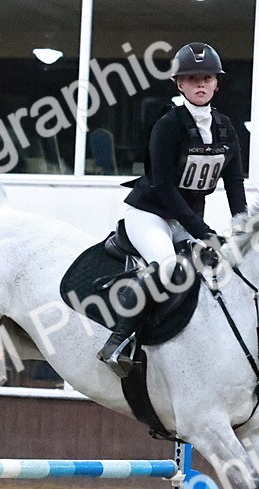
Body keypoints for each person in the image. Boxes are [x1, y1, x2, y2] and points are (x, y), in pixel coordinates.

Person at [97, 42, 248, 377]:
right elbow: (165, 188)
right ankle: (117, 342)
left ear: (216, 84)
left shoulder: (226, 128)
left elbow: (234, 183)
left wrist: (242, 228)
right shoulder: (167, 125)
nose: (199, 84)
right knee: (167, 267)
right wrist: (204, 233)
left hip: (187, 217)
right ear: (179, 84)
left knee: (211, 275)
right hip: (150, 213)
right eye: (191, 78)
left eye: (206, 77)